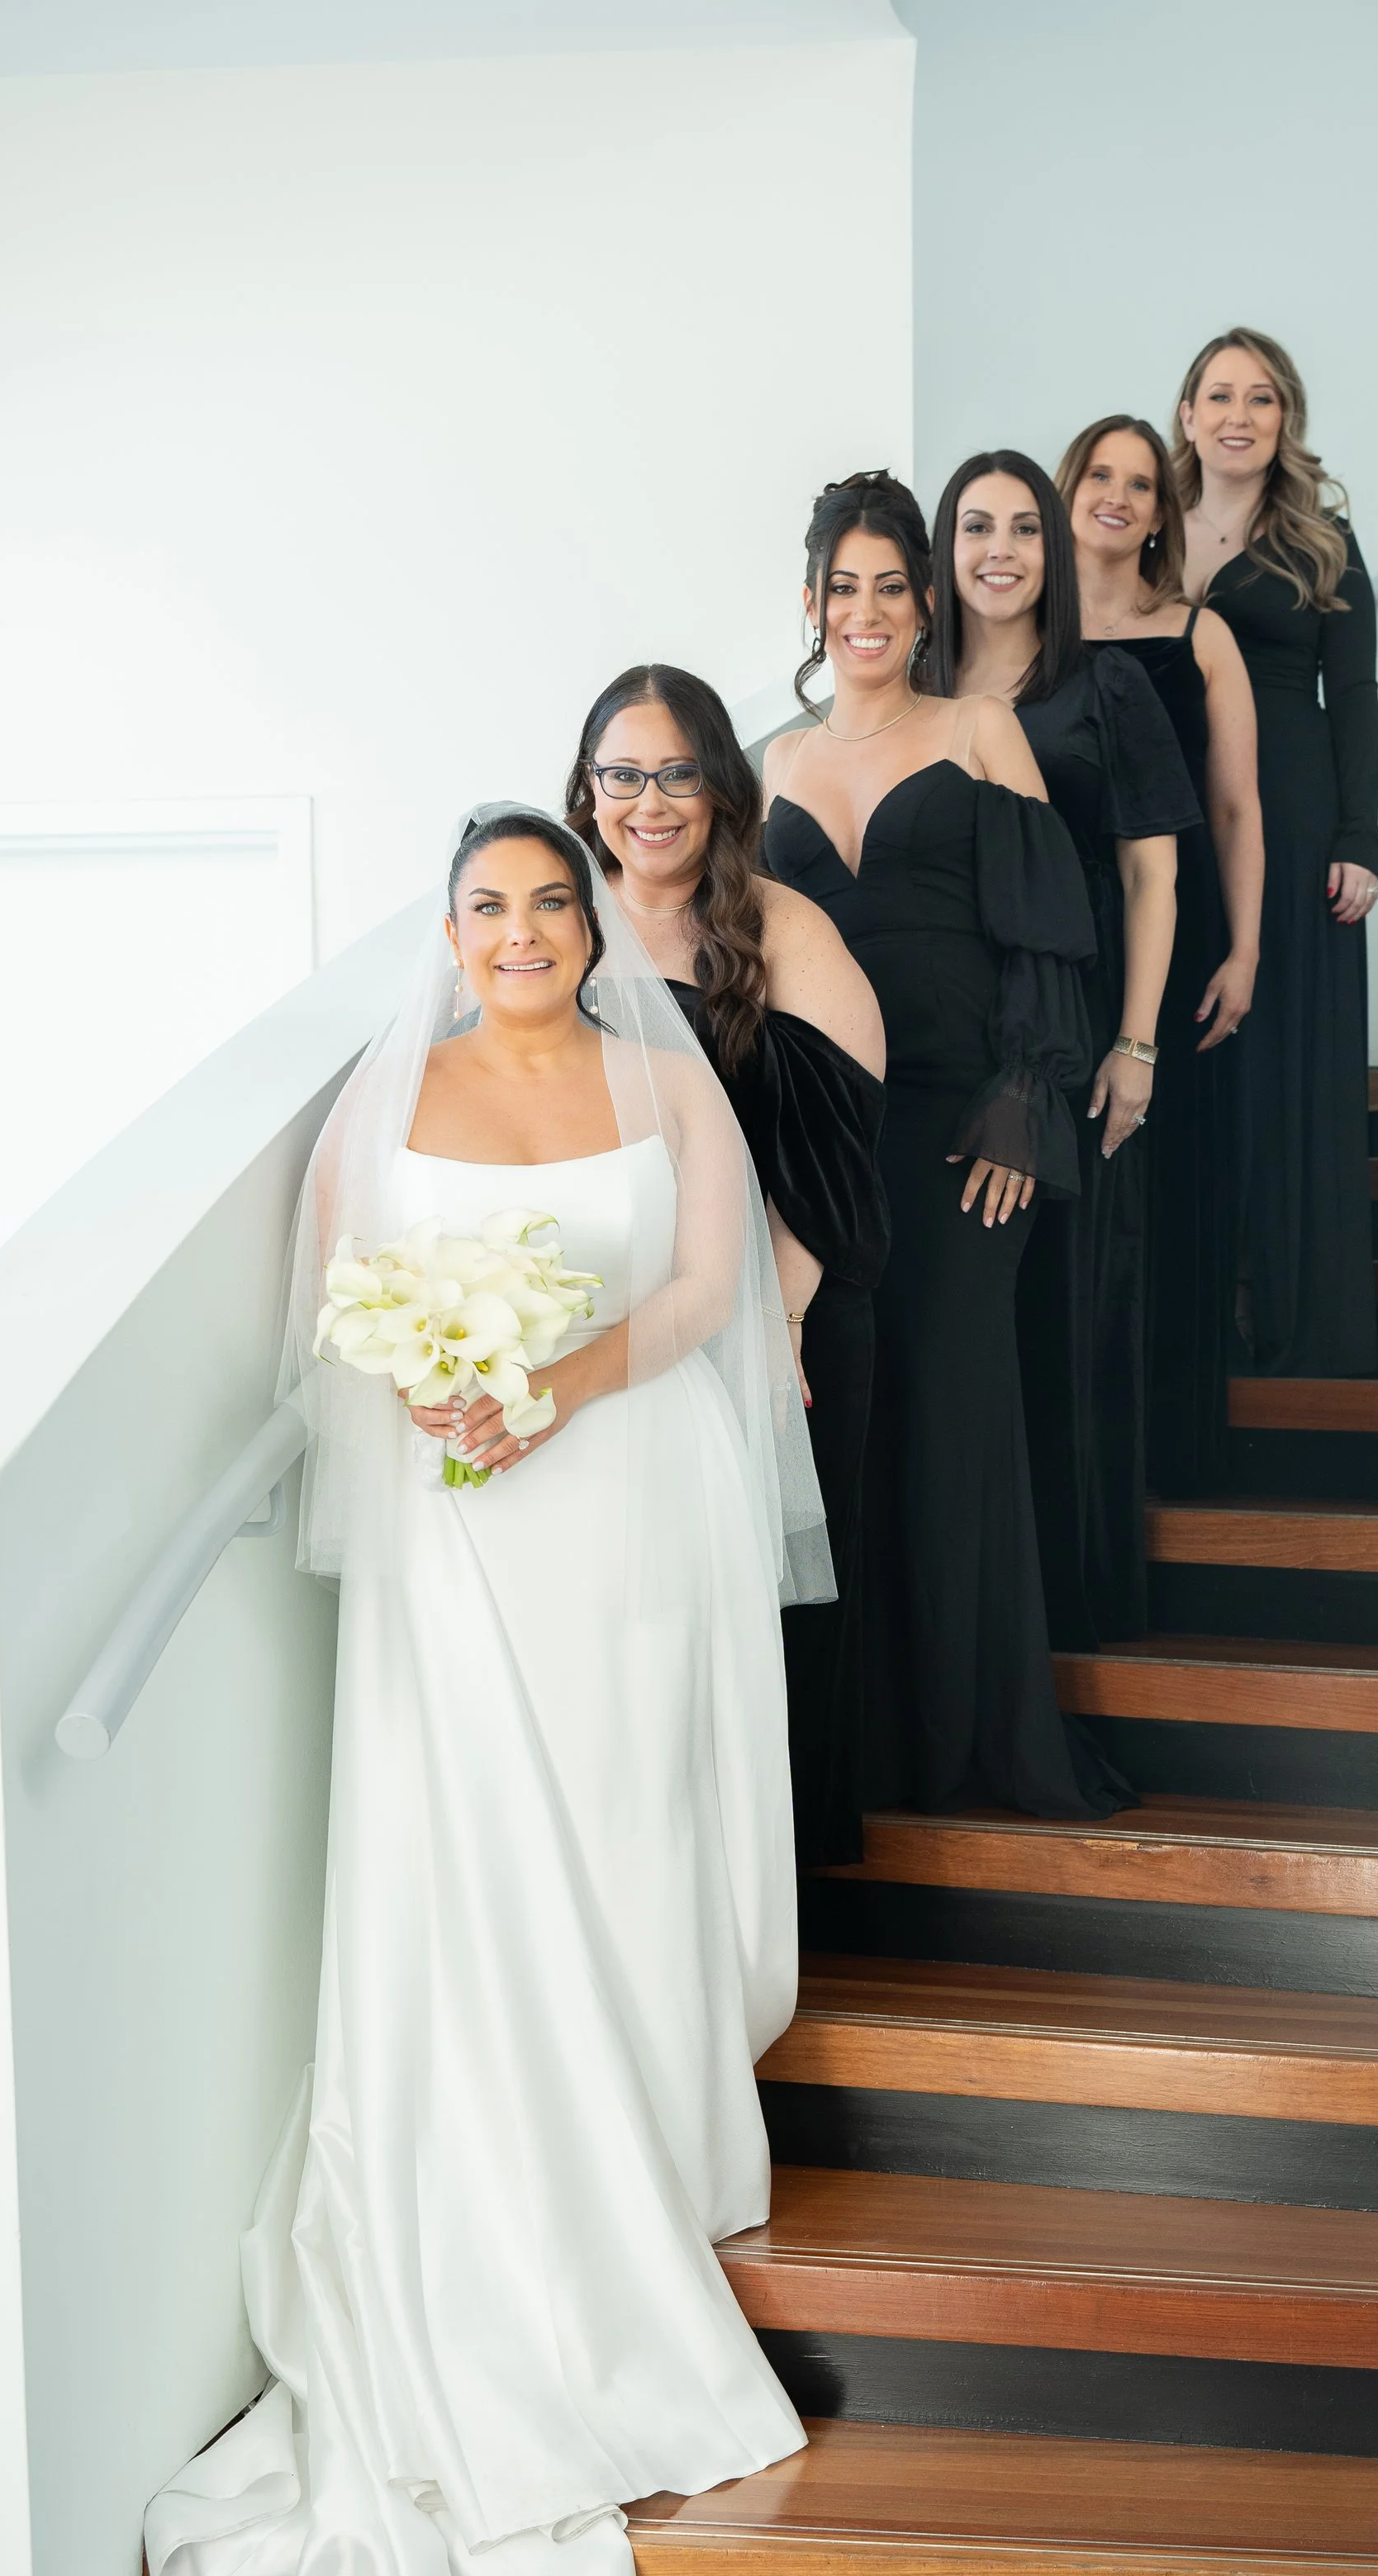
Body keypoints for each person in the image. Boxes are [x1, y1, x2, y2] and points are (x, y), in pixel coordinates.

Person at [145, 806, 828, 2576]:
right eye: (491, 905)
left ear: (587, 920)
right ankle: (529, 2203)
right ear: (447, 930)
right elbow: (344, 1312)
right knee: (490, 1849)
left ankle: (653, 2134)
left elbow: (704, 1291)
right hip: (465, 1534)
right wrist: (444, 1391)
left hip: (628, 1506)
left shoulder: (654, 1074)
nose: (523, 929)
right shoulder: (392, 1094)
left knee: (632, 1829)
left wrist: (561, 1383)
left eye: (551, 900)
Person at [761, 467, 1116, 1816]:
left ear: (924, 603)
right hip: (830, 1152)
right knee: (851, 1433)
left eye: (889, 586)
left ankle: (974, 1744)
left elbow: (1045, 937)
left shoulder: (980, 733)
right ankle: (863, 1756)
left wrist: (1027, 1108)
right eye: (840, 586)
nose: (865, 609)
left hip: (975, 1133)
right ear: (811, 602)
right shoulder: (774, 769)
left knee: (957, 1418)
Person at [566, 662, 886, 1867]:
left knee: (767, 1596)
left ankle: (771, 1874)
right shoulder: (559, 928)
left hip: (776, 1312)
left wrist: (775, 1320)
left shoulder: (778, 925)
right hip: (612, 1327)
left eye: (678, 772)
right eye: (624, 774)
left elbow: (841, 1142)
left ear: (721, 785)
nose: (651, 801)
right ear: (589, 790)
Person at [926, 448, 1198, 1644]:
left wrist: (1135, 1040)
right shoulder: (913, 686)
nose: (1000, 550)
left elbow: (1152, 872)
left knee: (1071, 1318)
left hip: (1071, 1034)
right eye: (976, 526)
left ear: (1054, 546)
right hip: (944, 1044)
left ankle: (1079, 1620)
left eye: (1023, 528)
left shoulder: (1107, 689)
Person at [1057, 413, 1263, 1497]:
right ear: (1070, 486)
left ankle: (1176, 1458)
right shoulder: (1010, 636)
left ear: (1160, 511)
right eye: (1101, 474)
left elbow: (1232, 806)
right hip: (1050, 951)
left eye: (1141, 482)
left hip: (1171, 948)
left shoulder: (1199, 635)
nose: (1120, 495)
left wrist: (1247, 949)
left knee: (1172, 1201)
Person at [1172, 326, 1378, 1377]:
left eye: (1261, 398)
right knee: (1192, 1050)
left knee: (1288, 1070)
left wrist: (1360, 839)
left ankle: (1300, 1318)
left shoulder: (1322, 544)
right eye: (1219, 396)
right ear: (1187, 415)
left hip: (1295, 827)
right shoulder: (1146, 535)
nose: (1238, 416)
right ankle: (1203, 1308)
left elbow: (1353, 703)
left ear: (1284, 420)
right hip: (1175, 818)